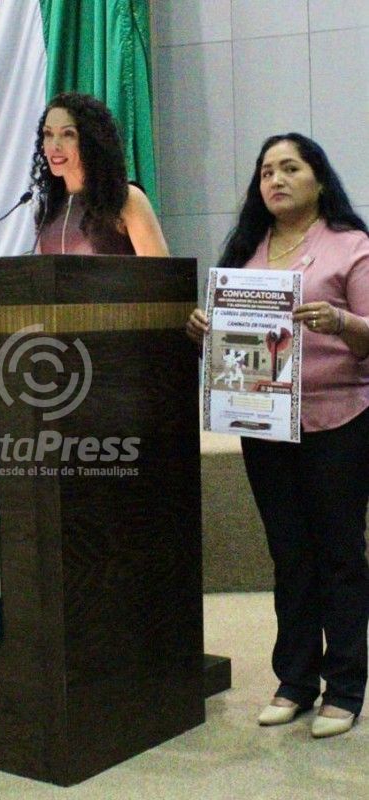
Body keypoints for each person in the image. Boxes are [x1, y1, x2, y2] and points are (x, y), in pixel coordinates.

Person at [186, 133, 369, 738]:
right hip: (263, 425)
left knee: (339, 555)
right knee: (289, 555)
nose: (276, 180)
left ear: (319, 178)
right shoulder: (248, 251)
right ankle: (295, 680)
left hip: (338, 421)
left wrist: (341, 321)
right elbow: (236, 344)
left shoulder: (351, 246)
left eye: (290, 168)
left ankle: (346, 687)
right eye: (266, 171)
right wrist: (206, 330)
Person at [29, 92, 168, 256]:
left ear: (90, 141)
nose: (55, 145)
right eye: (48, 134)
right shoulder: (47, 210)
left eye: (68, 134)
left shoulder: (126, 199)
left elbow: (159, 270)